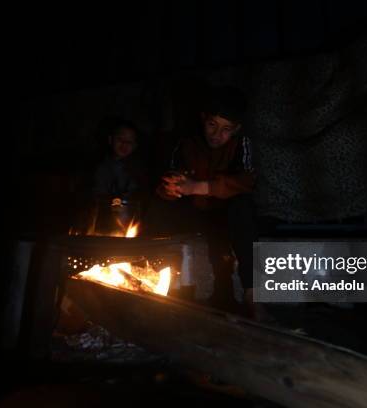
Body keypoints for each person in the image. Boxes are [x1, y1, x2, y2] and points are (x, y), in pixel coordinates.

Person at [154, 85, 259, 313]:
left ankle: (251, 293)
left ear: (236, 129)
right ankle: (165, 289)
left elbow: (247, 181)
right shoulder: (186, 144)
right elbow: (170, 178)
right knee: (160, 210)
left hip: (227, 211)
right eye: (212, 125)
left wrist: (200, 187)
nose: (217, 134)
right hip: (197, 211)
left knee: (242, 208)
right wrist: (171, 189)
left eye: (226, 129)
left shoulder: (240, 144)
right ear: (204, 119)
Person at [92, 119, 148, 200]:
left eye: (129, 142)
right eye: (120, 139)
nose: (124, 144)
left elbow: (143, 191)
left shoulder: (139, 167)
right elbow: (98, 192)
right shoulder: (102, 167)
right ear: (110, 140)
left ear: (135, 146)